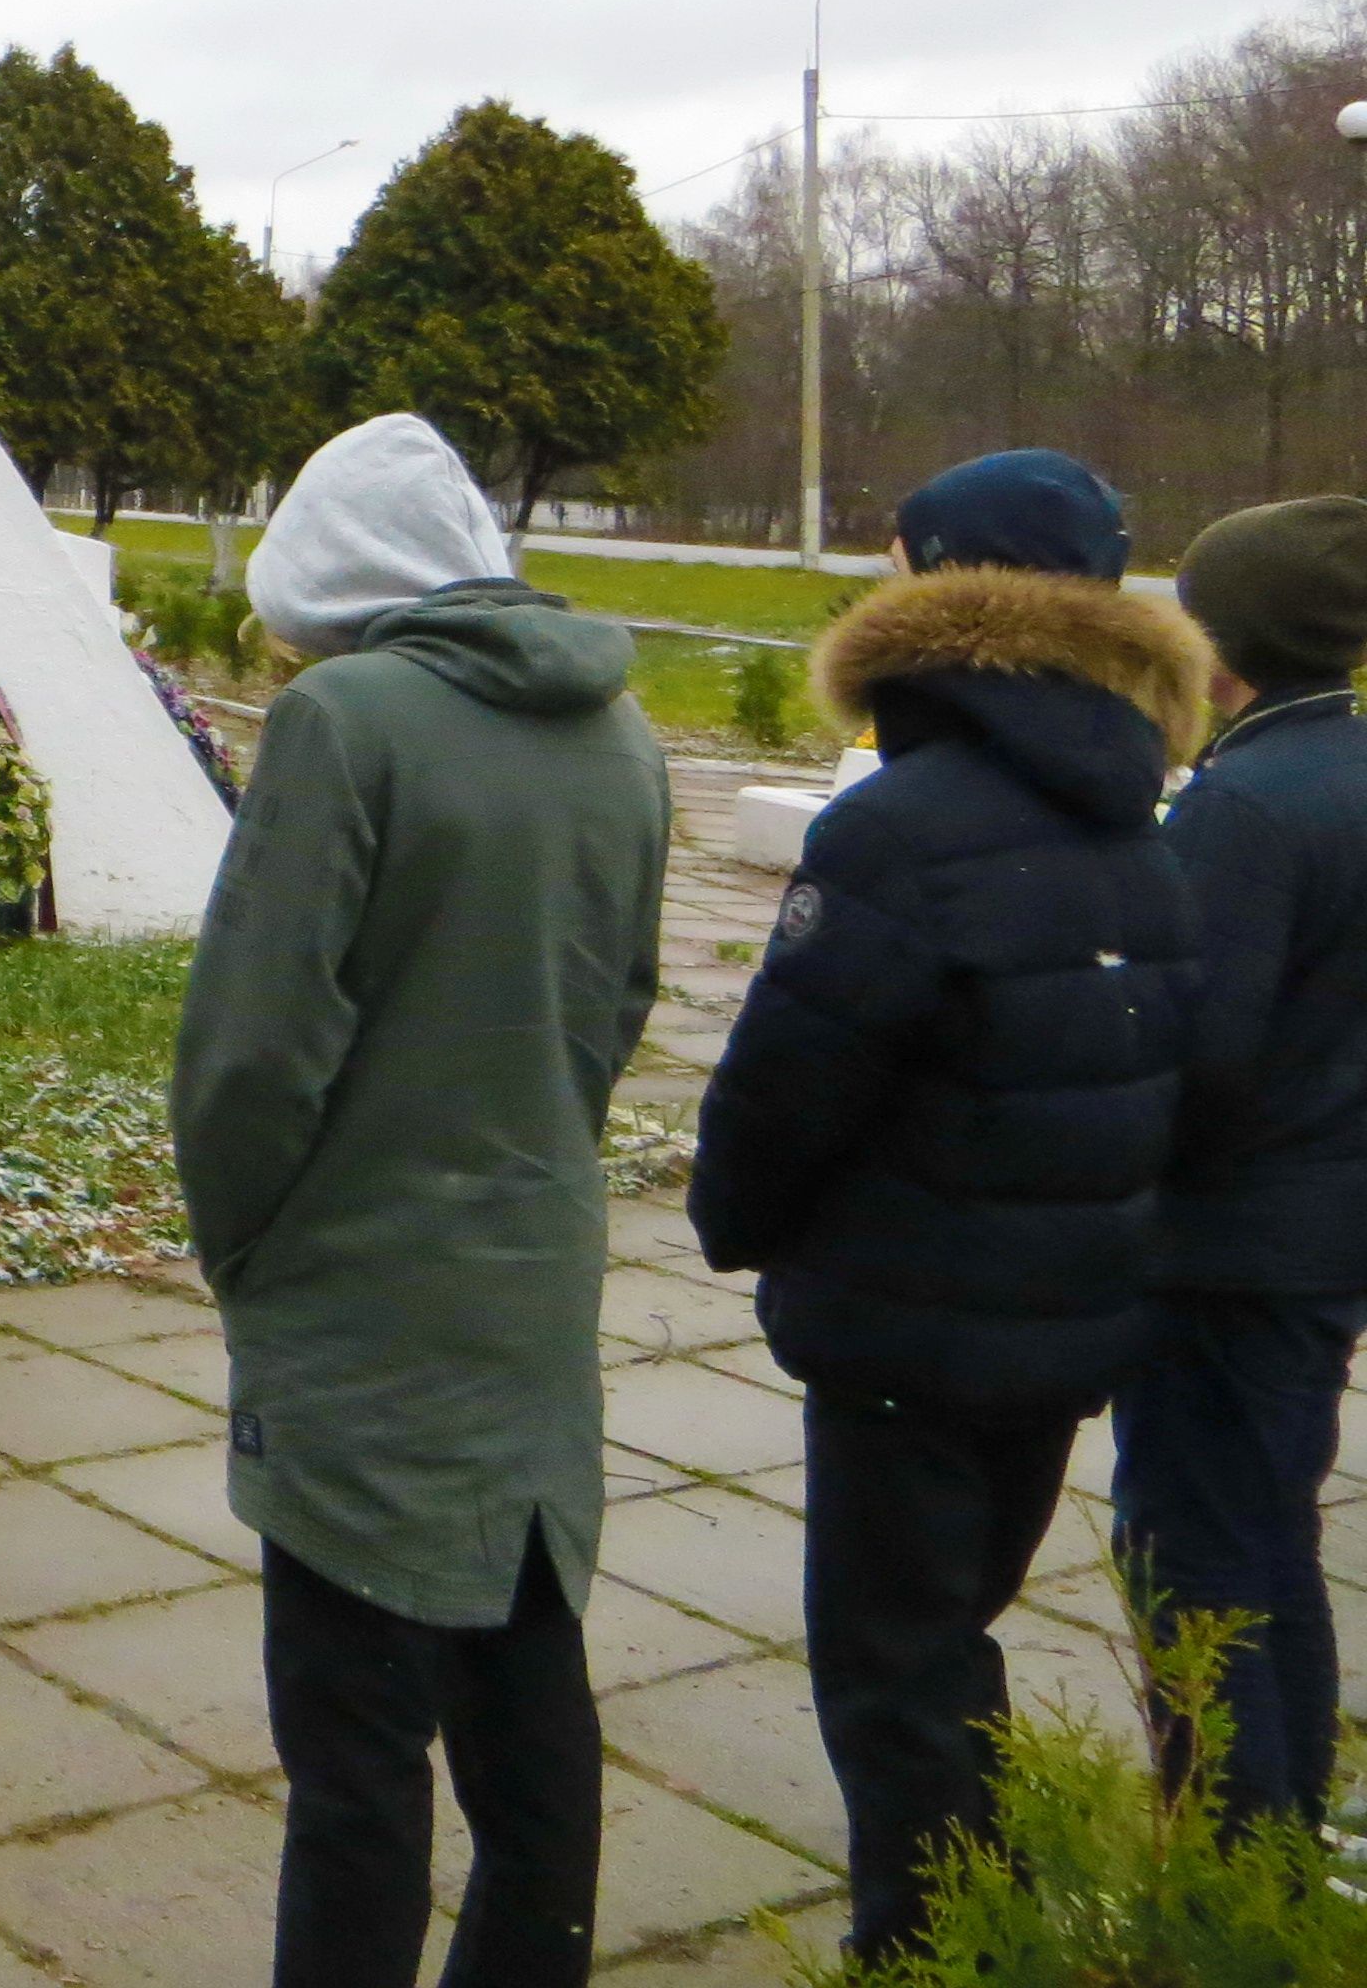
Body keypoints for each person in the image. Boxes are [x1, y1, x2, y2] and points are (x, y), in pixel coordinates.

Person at [170, 413, 671, 1988]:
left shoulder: (346, 721)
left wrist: (244, 1245)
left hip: (361, 1303)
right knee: (527, 1711)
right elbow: (619, 1006)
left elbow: (256, 1049)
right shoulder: (622, 732)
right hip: (527, 1280)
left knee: (358, 1762)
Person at [690, 448, 1205, 1962]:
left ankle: (928, 1949)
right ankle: (985, 1898)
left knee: (893, 1670)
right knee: (951, 1637)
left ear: (941, 591)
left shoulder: (895, 834)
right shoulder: (1140, 824)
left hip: (904, 1335)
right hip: (1063, 1324)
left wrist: (737, 1222)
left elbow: (790, 1083)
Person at [1117, 493, 1367, 1825]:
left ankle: (1228, 1857)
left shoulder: (1247, 807)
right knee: (1277, 1541)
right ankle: (1287, 1827)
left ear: (1231, 641)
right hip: (1326, 1240)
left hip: (1224, 1254)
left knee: (1195, 1561)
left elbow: (1197, 1056)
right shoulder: (1349, 768)